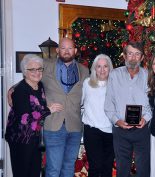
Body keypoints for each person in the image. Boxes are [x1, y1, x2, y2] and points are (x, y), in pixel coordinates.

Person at [5, 54, 63, 177]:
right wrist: (48, 110)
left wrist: (47, 105)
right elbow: (25, 117)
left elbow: (37, 104)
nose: (36, 72)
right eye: (32, 69)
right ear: (25, 72)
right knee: (22, 172)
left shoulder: (40, 85)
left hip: (34, 137)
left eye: (39, 69)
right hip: (20, 138)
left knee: (34, 171)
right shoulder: (20, 90)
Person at [42, 38, 89, 177]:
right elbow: (30, 82)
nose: (67, 51)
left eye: (70, 48)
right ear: (57, 50)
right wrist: (12, 90)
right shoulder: (45, 66)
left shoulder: (84, 71)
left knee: (68, 168)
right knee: (53, 170)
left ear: (75, 51)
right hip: (53, 125)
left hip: (74, 127)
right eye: (63, 48)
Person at [104, 41, 152, 177]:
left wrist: (146, 118)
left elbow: (152, 103)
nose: (133, 58)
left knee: (143, 169)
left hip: (142, 130)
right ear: (124, 56)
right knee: (122, 169)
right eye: (130, 53)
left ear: (142, 58)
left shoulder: (148, 76)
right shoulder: (114, 75)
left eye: (137, 54)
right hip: (120, 131)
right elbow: (108, 104)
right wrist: (117, 121)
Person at [81, 54, 114, 177]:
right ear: (94, 68)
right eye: (99, 66)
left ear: (110, 68)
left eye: (105, 66)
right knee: (95, 167)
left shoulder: (115, 85)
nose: (102, 70)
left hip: (111, 132)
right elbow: (79, 103)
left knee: (107, 167)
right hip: (92, 131)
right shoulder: (87, 83)